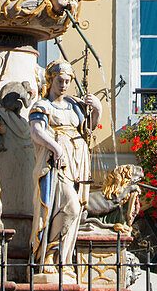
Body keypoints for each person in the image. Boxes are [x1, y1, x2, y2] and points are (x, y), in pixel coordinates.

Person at [29, 60, 102, 278]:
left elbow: (88, 128)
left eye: (67, 81)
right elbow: (36, 131)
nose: (64, 85)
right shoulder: (42, 106)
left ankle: (64, 257)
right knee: (67, 205)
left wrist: (96, 108)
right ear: (50, 81)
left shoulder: (74, 105)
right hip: (56, 163)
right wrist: (55, 147)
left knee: (76, 208)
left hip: (77, 162)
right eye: (60, 80)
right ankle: (48, 251)